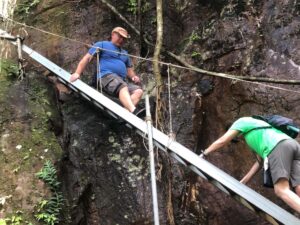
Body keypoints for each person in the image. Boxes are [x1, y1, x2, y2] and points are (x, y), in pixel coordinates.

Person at [201, 116, 300, 213]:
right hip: (292, 144)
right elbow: (259, 163)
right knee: (298, 185)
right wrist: (243, 182)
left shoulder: (241, 122)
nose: (238, 139)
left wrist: (204, 153)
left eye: (235, 138)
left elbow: (222, 141)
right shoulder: (259, 127)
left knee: (281, 190)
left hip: (278, 146)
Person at [70, 27, 144, 115]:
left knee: (138, 91)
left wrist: (133, 77)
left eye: (124, 38)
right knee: (122, 85)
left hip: (120, 82)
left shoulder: (125, 53)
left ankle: (124, 114)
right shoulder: (102, 45)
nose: (122, 40)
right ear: (113, 35)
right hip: (105, 77)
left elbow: (129, 70)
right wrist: (77, 73)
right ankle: (133, 111)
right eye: (119, 36)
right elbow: (86, 58)